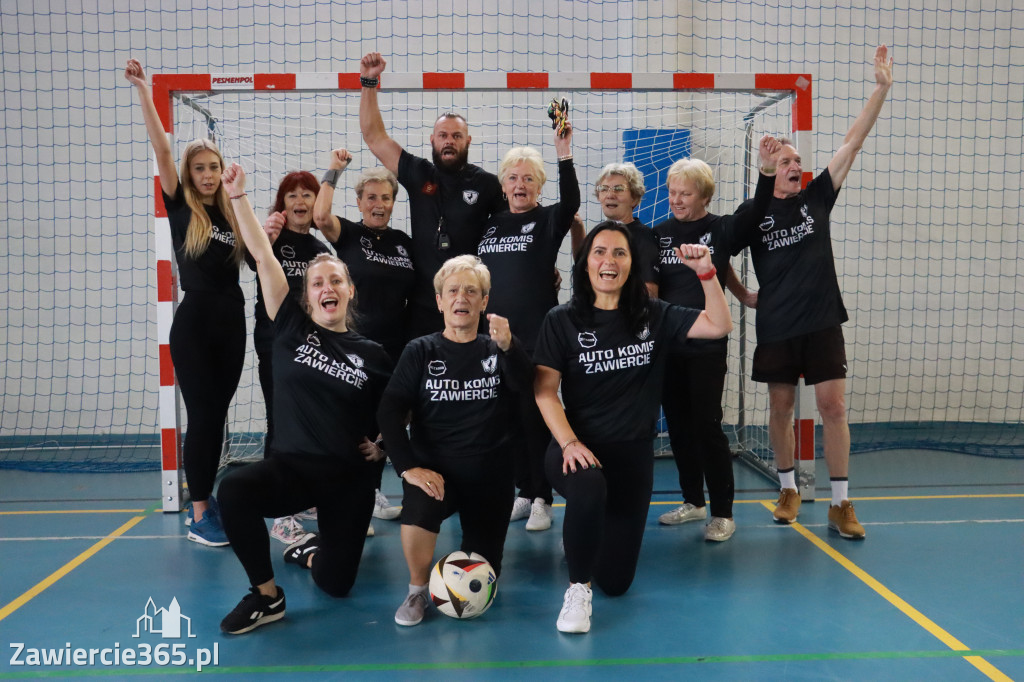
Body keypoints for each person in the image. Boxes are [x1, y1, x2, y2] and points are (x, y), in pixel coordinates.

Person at [215, 162, 393, 634]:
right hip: (293, 469)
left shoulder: (373, 354)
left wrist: (386, 445)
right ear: (307, 296)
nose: (327, 287)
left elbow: (398, 411)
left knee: (337, 585)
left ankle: (309, 550)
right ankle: (266, 596)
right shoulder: (290, 327)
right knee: (233, 490)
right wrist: (238, 199)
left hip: (348, 481)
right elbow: (263, 255)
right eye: (317, 282)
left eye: (336, 280)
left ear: (349, 290)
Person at [533, 222, 733, 634]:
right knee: (588, 488)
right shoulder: (561, 320)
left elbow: (718, 325)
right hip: (576, 448)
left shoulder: (654, 315)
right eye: (600, 252)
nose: (610, 261)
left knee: (617, 583)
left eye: (620, 253)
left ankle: (586, 534)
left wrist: (707, 273)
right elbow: (545, 393)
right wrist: (569, 443)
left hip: (632, 455)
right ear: (586, 264)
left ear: (631, 264)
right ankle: (576, 591)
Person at [733, 46, 894, 539]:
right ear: (771, 169)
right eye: (786, 159)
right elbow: (720, 252)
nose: (795, 164)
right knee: (780, 409)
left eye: (799, 159)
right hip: (778, 324)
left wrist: (881, 89)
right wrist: (743, 293)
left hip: (823, 320)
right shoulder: (757, 212)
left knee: (834, 408)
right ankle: (787, 490)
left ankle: (841, 504)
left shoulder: (818, 197)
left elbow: (852, 142)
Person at [125, 59, 246, 547]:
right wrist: (144, 90)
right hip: (195, 322)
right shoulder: (181, 207)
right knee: (203, 415)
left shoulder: (231, 212)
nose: (208, 175)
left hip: (231, 320)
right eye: (200, 168)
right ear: (189, 174)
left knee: (217, 414)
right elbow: (163, 146)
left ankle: (206, 497)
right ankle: (199, 512)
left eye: (213, 167)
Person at [377, 255, 532, 627]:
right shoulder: (420, 350)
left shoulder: (498, 348)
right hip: (437, 472)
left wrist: (511, 347)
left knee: (480, 577)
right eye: (453, 291)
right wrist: (408, 468)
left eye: (471, 291)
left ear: (484, 301)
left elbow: (527, 387)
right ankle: (416, 591)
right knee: (419, 504)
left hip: (490, 477)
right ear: (440, 301)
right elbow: (389, 410)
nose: (461, 297)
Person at [653, 137, 780, 542]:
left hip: (707, 344)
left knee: (707, 424)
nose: (676, 199)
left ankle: (724, 513)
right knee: (677, 425)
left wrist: (766, 171)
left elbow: (757, 213)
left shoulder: (719, 228)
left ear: (704, 195)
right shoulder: (659, 234)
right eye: (672, 192)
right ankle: (694, 501)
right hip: (669, 344)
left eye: (685, 193)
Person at [478, 126, 584, 532]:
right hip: (494, 337)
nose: (520, 184)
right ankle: (524, 490)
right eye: (513, 177)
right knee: (507, 417)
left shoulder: (547, 218)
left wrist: (563, 151)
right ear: (503, 184)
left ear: (539, 185)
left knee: (533, 414)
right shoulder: (490, 224)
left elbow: (571, 199)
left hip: (537, 334)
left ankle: (543, 497)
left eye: (528, 178)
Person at [359, 52, 505, 338]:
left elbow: (511, 231)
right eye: (443, 135)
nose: (449, 141)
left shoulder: (487, 185)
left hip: (469, 306)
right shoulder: (419, 174)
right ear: (432, 140)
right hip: (423, 307)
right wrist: (368, 81)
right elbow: (374, 137)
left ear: (468, 141)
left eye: (456, 136)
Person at [313, 149, 414, 530]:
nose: (378, 204)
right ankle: (347, 498)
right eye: (370, 197)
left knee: (382, 422)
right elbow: (321, 217)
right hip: (352, 346)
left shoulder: (404, 243)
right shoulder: (350, 234)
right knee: (348, 422)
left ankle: (371, 494)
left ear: (392, 203)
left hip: (393, 350)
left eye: (385, 197)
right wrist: (334, 169)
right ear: (359, 202)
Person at [242, 172, 333, 546]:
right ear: (282, 203)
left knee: (307, 423)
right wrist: (265, 235)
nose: (300, 201)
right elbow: (252, 259)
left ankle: (302, 497)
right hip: (276, 345)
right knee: (279, 423)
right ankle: (280, 514)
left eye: (307, 195)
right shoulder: (270, 239)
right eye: (292, 195)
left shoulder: (318, 248)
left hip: (310, 349)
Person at [589, 162, 660, 295]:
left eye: (619, 189)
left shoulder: (644, 237)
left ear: (634, 198)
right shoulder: (597, 235)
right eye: (604, 189)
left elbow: (650, 294)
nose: (610, 195)